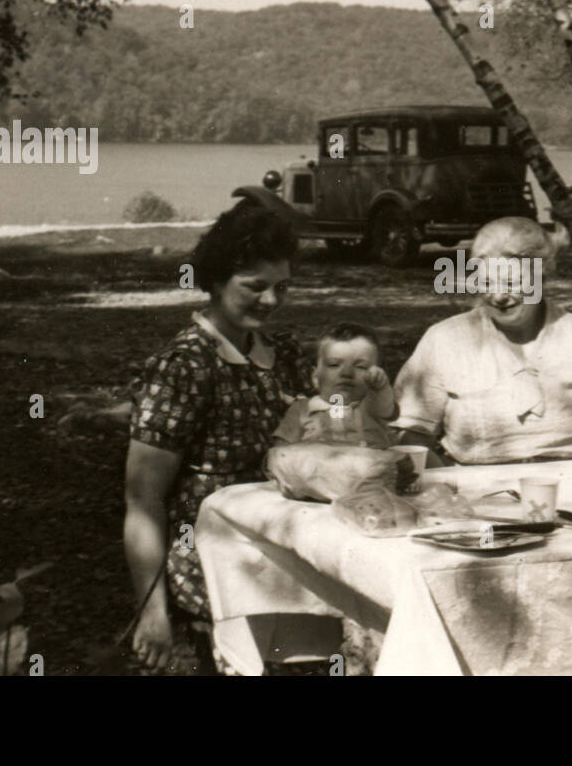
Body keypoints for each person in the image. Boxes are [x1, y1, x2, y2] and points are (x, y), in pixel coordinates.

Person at [123, 201, 312, 672]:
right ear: (216, 281)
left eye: (281, 287)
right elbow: (143, 499)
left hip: (289, 566)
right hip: (212, 578)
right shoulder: (185, 367)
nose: (271, 300)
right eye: (255, 287)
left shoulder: (285, 354)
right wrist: (152, 612)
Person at [393, 216, 572, 464]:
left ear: (542, 278)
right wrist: (445, 483)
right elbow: (412, 432)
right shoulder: (446, 339)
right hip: (475, 488)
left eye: (512, 283)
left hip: (569, 482)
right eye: (486, 282)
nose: (498, 296)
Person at [272, 322, 398, 449]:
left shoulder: (371, 404)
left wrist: (381, 386)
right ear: (315, 377)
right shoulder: (302, 410)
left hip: (373, 465)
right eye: (333, 365)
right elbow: (281, 451)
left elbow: (385, 406)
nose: (347, 373)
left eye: (361, 367)